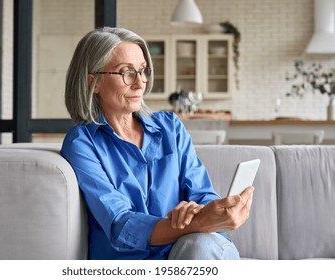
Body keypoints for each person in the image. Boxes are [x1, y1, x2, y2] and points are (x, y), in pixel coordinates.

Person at [61, 27, 254, 260]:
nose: (140, 82)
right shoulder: (83, 143)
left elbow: (202, 194)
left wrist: (204, 212)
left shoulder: (170, 127)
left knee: (201, 246)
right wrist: (196, 222)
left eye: (143, 71)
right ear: (95, 82)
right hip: (132, 262)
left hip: (193, 249)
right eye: (127, 72)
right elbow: (120, 224)